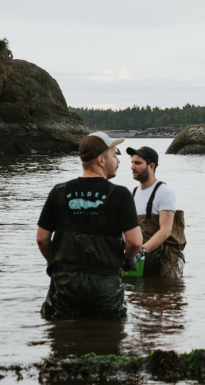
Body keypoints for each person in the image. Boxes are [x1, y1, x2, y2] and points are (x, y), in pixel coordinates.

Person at [37, 132, 144, 319]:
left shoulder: (59, 192)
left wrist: (53, 263)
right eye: (115, 155)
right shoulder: (120, 194)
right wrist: (126, 261)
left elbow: (42, 239)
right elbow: (135, 243)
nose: (118, 161)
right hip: (106, 286)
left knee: (61, 338)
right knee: (109, 338)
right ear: (101, 160)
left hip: (65, 285)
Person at [128, 145, 186, 278]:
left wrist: (142, 251)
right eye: (132, 163)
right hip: (142, 258)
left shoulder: (164, 192)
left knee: (165, 294)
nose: (132, 167)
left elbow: (165, 231)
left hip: (165, 259)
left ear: (151, 166)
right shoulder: (133, 193)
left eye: (137, 163)